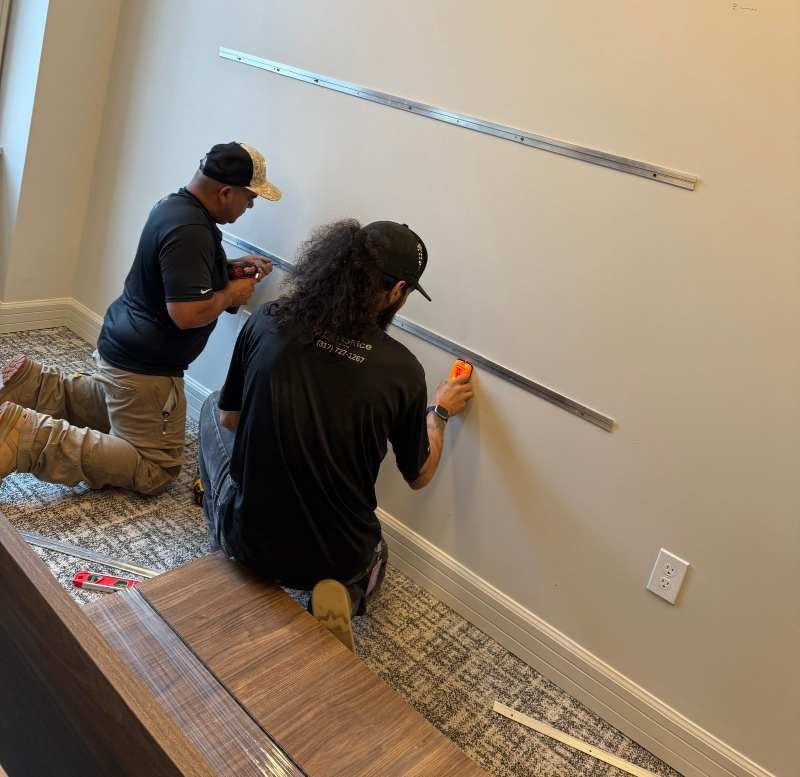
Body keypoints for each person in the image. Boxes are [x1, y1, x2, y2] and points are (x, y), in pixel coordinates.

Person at [197, 219, 474, 650]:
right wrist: (439, 412)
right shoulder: (401, 370)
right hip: (339, 556)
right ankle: (348, 592)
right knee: (377, 552)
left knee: (213, 405)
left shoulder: (269, 321)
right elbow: (418, 475)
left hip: (252, 542)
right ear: (397, 291)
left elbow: (231, 420)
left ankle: (232, 551)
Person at [0, 141, 281, 494]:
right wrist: (230, 294)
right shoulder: (192, 230)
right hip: (146, 368)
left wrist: (226, 268)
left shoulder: (174, 207)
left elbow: (178, 271)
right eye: (249, 198)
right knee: (156, 468)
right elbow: (186, 314)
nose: (250, 206)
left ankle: (35, 387)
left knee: (118, 403)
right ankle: (27, 437)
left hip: (122, 347)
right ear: (225, 192)